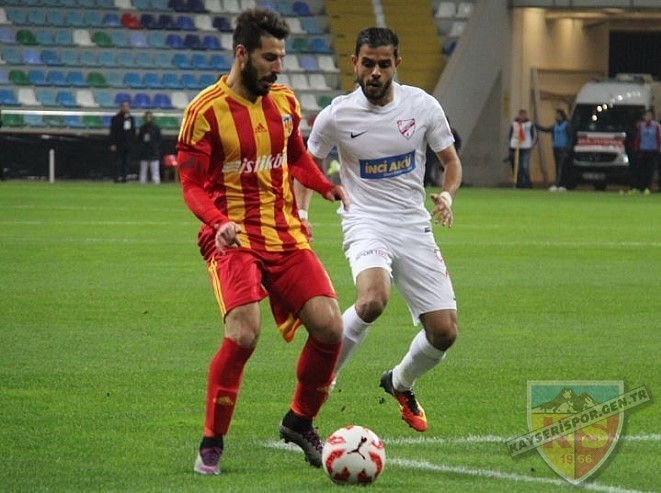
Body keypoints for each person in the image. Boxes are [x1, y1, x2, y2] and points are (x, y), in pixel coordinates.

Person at [175, 7, 349, 476]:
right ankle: (212, 442)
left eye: (281, 58)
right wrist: (217, 222)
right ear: (242, 54)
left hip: (284, 234)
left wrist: (325, 186)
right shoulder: (203, 112)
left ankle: (299, 421)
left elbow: (295, 157)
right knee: (243, 334)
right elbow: (190, 185)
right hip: (232, 238)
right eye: (269, 58)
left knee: (331, 327)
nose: (278, 68)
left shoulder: (285, 102)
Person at [297, 27, 463, 433]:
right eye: (368, 63)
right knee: (372, 300)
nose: (375, 72)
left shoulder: (422, 106)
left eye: (384, 64)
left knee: (444, 332)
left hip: (413, 224)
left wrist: (447, 195)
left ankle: (400, 382)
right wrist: (301, 212)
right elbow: (306, 165)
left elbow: (451, 162)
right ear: (354, 63)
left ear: (396, 65)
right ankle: (322, 381)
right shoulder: (336, 115)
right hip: (365, 220)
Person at [536, 108, 571, 192]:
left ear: (561, 116)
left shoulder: (566, 125)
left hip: (563, 148)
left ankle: (560, 184)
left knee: (561, 166)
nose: (556, 117)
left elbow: (570, 137)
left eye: (557, 115)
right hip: (556, 147)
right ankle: (560, 184)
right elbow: (547, 129)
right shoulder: (555, 126)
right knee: (557, 166)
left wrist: (568, 148)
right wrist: (537, 126)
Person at [631, 110, 661, 194]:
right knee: (641, 170)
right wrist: (636, 149)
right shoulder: (641, 126)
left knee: (649, 170)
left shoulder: (656, 126)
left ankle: (647, 187)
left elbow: (658, 138)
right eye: (646, 115)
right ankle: (640, 187)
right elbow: (638, 138)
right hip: (643, 150)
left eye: (649, 115)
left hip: (652, 150)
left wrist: (659, 149)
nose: (648, 117)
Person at [109, 101, 136, 183]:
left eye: (127, 106)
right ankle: (116, 177)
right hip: (118, 143)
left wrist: (132, 142)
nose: (125, 108)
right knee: (117, 162)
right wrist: (112, 143)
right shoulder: (115, 118)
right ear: (121, 107)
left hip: (128, 144)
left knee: (126, 162)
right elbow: (113, 131)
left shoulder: (131, 118)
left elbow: (132, 131)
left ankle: (124, 178)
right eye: (124, 106)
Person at [508, 109, 536, 188]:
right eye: (521, 115)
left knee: (524, 166)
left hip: (526, 147)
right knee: (516, 166)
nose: (523, 116)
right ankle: (519, 183)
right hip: (515, 146)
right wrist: (510, 147)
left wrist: (531, 145)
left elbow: (534, 136)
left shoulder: (529, 124)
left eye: (524, 115)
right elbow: (511, 135)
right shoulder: (514, 124)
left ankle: (527, 183)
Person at [137, 111, 162, 185]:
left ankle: (156, 182)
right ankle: (142, 182)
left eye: (149, 117)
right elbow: (139, 139)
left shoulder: (156, 128)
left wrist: (155, 147)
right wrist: (142, 148)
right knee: (143, 169)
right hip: (144, 151)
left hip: (154, 151)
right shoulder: (142, 128)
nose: (148, 118)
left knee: (155, 170)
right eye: (147, 117)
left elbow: (159, 139)